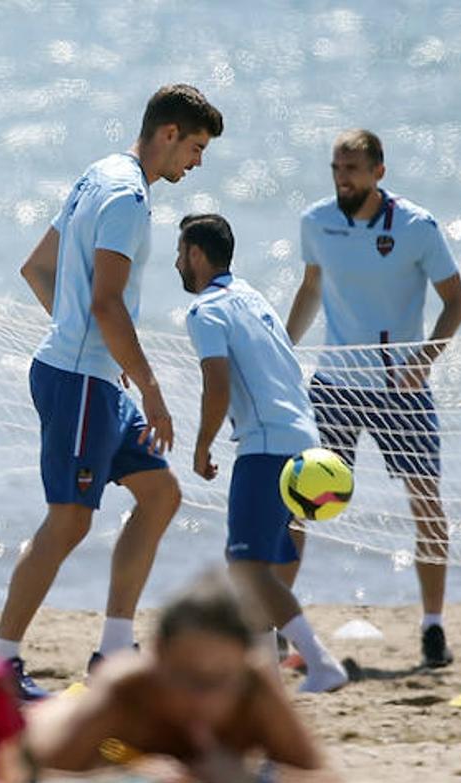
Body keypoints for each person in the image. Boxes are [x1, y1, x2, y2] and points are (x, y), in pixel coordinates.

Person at [0, 84, 224, 699]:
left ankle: (115, 652)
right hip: (78, 380)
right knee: (69, 522)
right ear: (169, 134)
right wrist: (149, 385)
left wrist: (89, 340)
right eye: (196, 148)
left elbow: (36, 268)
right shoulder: (126, 196)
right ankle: (1, 666)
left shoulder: (98, 174)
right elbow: (104, 302)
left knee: (159, 493)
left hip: (91, 373)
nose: (196, 163)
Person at [284, 129, 461, 668]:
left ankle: (433, 627)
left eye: (354, 169)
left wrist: (424, 361)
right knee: (296, 503)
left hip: (400, 391)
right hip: (335, 386)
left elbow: (455, 303)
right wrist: (280, 350)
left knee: (427, 503)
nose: (343, 178)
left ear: (379, 173)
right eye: (337, 168)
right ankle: (279, 623)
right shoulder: (316, 221)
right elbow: (311, 287)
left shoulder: (417, 226)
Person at [179, 213, 347, 692]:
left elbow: (217, 383)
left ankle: (320, 663)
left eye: (179, 252)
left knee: (247, 568)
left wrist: (202, 443)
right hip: (305, 446)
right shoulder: (256, 300)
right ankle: (265, 677)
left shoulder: (206, 310)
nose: (177, 262)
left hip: (266, 449)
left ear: (195, 254)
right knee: (262, 569)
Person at [26, 571, 336, 783]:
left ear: (244, 662)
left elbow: (322, 781)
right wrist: (128, 776)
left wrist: (249, 779)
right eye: (184, 677)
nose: (200, 696)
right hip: (53, 716)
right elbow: (25, 773)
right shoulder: (129, 687)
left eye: (218, 681)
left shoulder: (252, 688)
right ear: (157, 656)